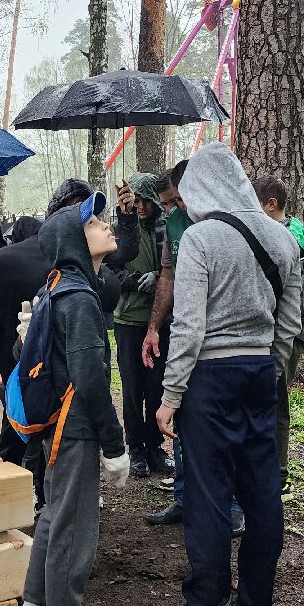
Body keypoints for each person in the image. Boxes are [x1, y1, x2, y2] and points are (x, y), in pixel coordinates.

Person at [147, 144, 302, 606]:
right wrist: (271, 366)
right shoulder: (280, 236)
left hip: (209, 379)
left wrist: (170, 396)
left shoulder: (200, 238)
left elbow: (188, 327)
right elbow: (291, 319)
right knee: (262, 493)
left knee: (209, 496)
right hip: (260, 373)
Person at [3, 191, 129, 606]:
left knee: (54, 520)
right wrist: (115, 446)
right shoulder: (78, 297)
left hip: (53, 424)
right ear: (75, 239)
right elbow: (92, 379)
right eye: (94, 221)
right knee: (73, 530)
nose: (104, 224)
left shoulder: (56, 286)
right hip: (74, 431)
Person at [0, 182, 121, 459]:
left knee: (22, 400)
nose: (103, 226)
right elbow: (21, 357)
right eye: (93, 223)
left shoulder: (64, 271)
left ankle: (17, 472)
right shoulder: (43, 275)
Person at [139, 161, 245, 538]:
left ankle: (232, 508)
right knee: (179, 417)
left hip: (220, 339)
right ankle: (184, 499)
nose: (178, 207)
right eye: (170, 202)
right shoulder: (174, 223)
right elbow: (167, 275)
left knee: (221, 427)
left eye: (181, 199)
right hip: (183, 331)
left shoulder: (225, 220)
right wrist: (154, 327)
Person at [252, 176, 304, 494]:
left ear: (271, 205)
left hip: (291, 328)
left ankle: (278, 475)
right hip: (270, 325)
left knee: (276, 401)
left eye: (257, 206)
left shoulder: (292, 231)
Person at [110, 173, 173, 480]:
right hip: (128, 320)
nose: (142, 207)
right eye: (137, 202)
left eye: (146, 200)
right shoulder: (119, 231)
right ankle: (135, 448)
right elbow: (112, 270)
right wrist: (137, 282)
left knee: (157, 387)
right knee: (133, 389)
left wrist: (158, 279)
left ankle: (154, 446)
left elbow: (173, 268)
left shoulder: (166, 229)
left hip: (159, 322)